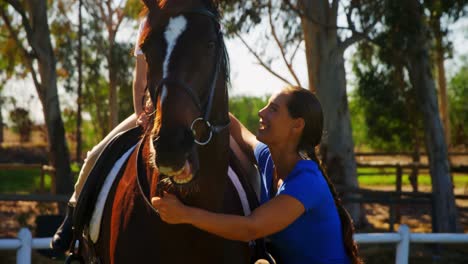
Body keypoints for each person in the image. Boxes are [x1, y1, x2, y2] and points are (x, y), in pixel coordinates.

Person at [152, 86, 362, 264]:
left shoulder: (306, 181)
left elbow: (251, 228)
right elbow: (237, 129)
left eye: (273, 109)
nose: (261, 112)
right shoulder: (268, 157)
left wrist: (184, 214)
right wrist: (194, 100)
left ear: (297, 125)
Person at [50, 11, 149, 253]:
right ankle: (72, 219)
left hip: (192, 113)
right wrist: (140, 114)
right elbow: (140, 81)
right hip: (151, 110)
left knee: (244, 154)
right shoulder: (148, 23)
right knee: (94, 154)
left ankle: (256, 233)